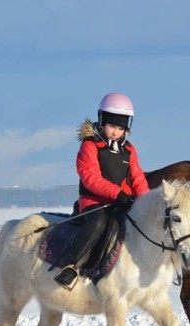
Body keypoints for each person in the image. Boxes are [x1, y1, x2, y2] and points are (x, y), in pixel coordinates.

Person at [53, 93, 150, 289]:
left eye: (120, 128)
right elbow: (91, 179)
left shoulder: (129, 150)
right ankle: (71, 265)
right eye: (112, 126)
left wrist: (146, 201)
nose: (116, 132)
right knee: (98, 223)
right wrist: (118, 194)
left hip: (121, 202)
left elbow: (138, 177)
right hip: (94, 202)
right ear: (102, 121)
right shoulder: (89, 146)